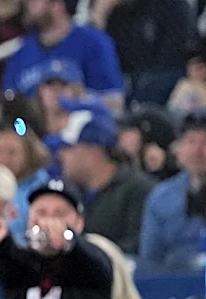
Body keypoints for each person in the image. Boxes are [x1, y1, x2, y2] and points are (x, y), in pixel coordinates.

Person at [57, 105, 155, 255]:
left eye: (68, 149)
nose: (61, 156)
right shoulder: (70, 191)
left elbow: (138, 247)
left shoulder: (138, 190)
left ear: (92, 153)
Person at [3, 0, 124, 114]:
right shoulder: (20, 54)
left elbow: (115, 104)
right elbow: (7, 105)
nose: (26, 3)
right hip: (33, 133)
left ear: (57, 3)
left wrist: (79, 100)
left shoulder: (93, 42)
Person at [138, 111, 206, 275]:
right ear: (179, 148)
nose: (198, 151)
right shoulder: (161, 197)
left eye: (205, 142)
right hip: (174, 288)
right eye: (190, 141)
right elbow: (150, 260)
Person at [93, 0, 194, 106]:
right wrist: (100, 18)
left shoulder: (172, 6)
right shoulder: (116, 12)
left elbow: (172, 55)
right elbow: (101, 59)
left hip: (159, 83)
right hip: (123, 82)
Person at [34, 59, 86, 136]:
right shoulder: (31, 128)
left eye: (63, 85)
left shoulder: (85, 126)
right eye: (50, 85)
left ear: (76, 91)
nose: (56, 91)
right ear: (40, 91)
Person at [168, 41, 206, 118]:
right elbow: (173, 110)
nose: (198, 73)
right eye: (195, 69)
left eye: (201, 68)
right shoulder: (184, 86)